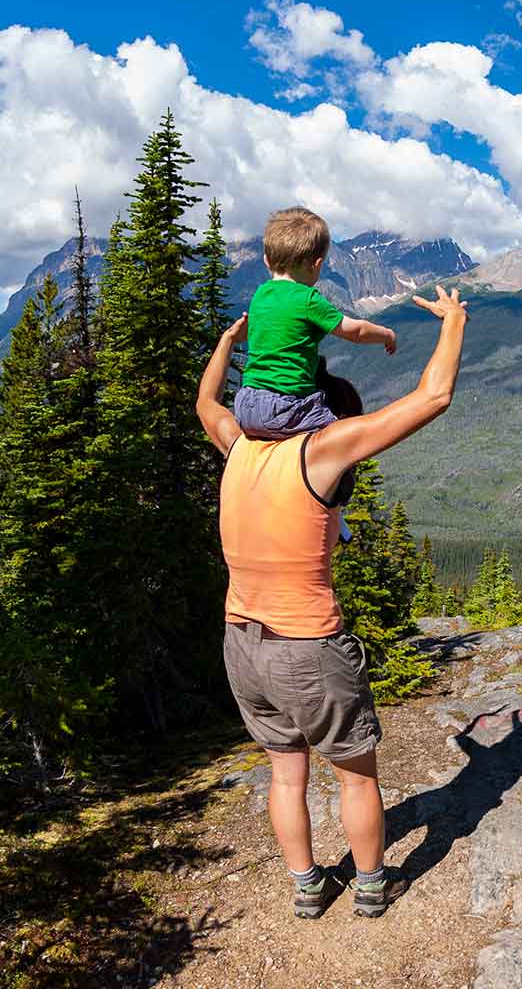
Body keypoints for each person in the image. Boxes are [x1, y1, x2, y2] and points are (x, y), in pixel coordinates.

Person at [196, 284, 469, 919]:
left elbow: (207, 401)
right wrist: (452, 322)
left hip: (241, 643)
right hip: (308, 646)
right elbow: (433, 396)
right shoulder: (323, 454)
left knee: (286, 774)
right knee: (356, 775)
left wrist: (227, 343)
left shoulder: (236, 445)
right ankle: (371, 885)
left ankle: (307, 885)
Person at [233, 207, 399, 440]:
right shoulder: (308, 299)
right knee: (345, 435)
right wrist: (387, 334)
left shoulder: (260, 294)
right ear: (317, 264)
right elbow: (356, 331)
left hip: (245, 404)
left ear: (267, 261)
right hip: (285, 406)